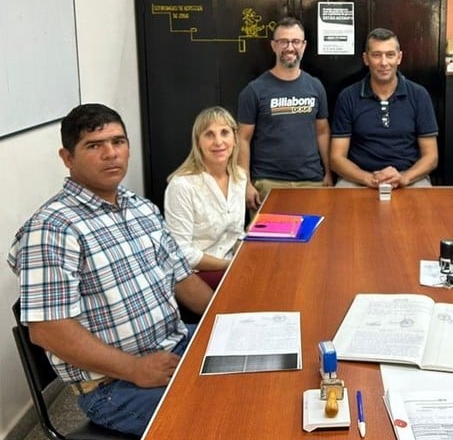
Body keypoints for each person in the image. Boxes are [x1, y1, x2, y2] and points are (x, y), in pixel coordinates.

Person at [7, 103, 213, 436]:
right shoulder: (52, 229)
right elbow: (48, 331)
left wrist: (230, 322)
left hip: (176, 344)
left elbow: (183, 279)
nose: (111, 153)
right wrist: (135, 369)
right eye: (94, 145)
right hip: (116, 385)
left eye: (118, 142)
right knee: (227, 418)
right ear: (67, 157)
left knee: (267, 372)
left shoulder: (140, 208)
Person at [237, 17, 332, 211]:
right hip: (268, 183)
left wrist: (329, 172)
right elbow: (242, 139)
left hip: (311, 182)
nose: (290, 47)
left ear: (304, 46)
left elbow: (322, 132)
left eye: (295, 41)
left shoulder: (315, 87)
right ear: (274, 45)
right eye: (283, 41)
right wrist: (246, 183)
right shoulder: (254, 90)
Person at [330, 28, 438, 188]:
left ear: (399, 57)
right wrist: (368, 179)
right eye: (376, 55)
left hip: (410, 178)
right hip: (358, 179)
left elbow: (431, 157)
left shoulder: (419, 95)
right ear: (366, 59)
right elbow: (336, 158)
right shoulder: (348, 97)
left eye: (390, 55)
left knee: (425, 202)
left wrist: (404, 178)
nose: (384, 62)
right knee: (341, 200)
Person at [165, 106, 246, 290]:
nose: (218, 141)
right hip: (195, 276)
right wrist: (230, 266)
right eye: (209, 134)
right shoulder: (182, 185)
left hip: (231, 265)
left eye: (224, 132)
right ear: (198, 142)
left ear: (234, 139)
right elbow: (181, 252)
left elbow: (236, 234)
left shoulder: (239, 177)